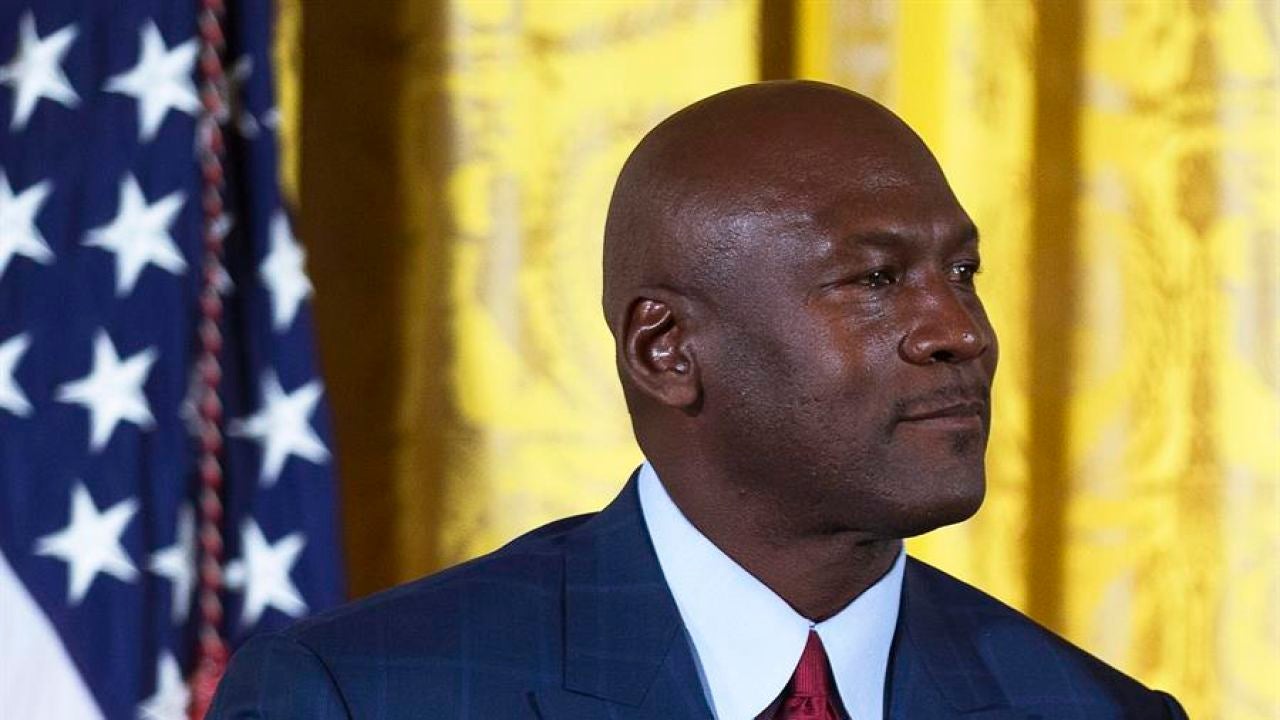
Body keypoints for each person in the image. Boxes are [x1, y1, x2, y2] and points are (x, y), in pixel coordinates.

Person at [210, 81, 1186, 719]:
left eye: (962, 272)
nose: (960, 332)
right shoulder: (361, 697)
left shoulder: (1095, 711)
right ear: (665, 349)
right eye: (875, 280)